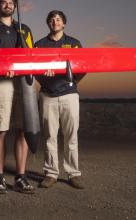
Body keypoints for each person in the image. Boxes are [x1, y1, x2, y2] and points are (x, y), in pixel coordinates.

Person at [0, 0, 35, 194]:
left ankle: (20, 177)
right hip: (3, 82)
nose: (8, 5)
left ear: (15, 6)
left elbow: (30, 57)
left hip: (23, 82)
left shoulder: (24, 29)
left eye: (11, 2)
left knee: (23, 129)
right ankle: (0, 177)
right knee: (1, 129)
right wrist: (6, 68)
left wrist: (22, 69)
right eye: (3, 3)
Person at [34, 10, 85, 190]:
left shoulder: (74, 44)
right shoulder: (39, 45)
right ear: (48, 24)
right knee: (50, 136)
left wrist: (72, 81)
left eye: (58, 19)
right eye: (51, 20)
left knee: (71, 136)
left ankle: (73, 173)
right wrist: (44, 77)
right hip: (47, 95)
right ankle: (51, 173)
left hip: (69, 95)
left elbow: (83, 67)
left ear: (64, 24)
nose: (55, 22)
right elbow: (34, 69)